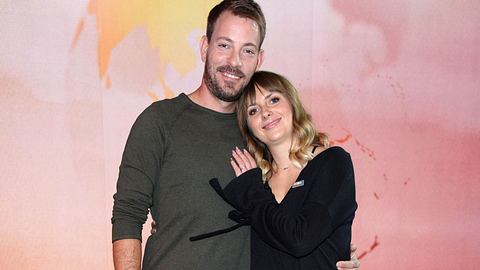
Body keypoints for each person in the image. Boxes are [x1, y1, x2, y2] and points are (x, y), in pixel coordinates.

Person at [111, 1, 360, 269]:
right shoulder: (160, 121)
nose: (234, 61)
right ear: (205, 47)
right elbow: (128, 213)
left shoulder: (264, 134)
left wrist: (332, 251)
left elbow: (294, 219)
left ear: (259, 59)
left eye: (247, 50)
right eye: (224, 45)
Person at [198, 70, 357, 269]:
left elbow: (300, 240)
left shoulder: (331, 162)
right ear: (249, 128)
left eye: (273, 100)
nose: (265, 112)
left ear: (292, 103)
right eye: (253, 111)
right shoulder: (256, 181)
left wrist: (252, 192)